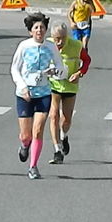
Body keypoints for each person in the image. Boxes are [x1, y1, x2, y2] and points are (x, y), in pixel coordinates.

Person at [11, 13, 66, 180]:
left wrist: (55, 72)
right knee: (26, 135)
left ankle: (33, 166)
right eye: (36, 28)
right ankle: (24, 145)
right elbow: (14, 69)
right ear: (30, 31)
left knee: (38, 130)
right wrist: (22, 87)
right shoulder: (24, 46)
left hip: (43, 93)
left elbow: (60, 66)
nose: (39, 31)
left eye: (42, 27)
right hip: (25, 95)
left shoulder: (50, 47)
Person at [46, 21, 91, 164]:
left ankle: (64, 136)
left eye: (62, 38)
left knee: (66, 119)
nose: (58, 42)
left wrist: (79, 73)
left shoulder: (76, 46)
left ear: (67, 36)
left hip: (70, 85)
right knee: (53, 115)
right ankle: (57, 150)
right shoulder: (47, 44)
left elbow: (87, 61)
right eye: (56, 38)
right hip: (53, 84)